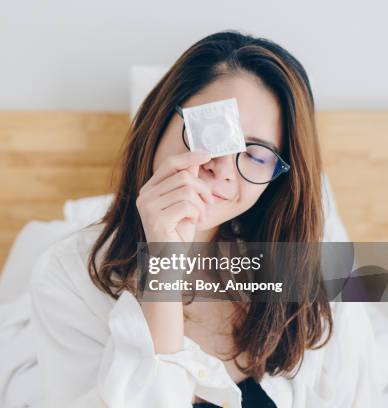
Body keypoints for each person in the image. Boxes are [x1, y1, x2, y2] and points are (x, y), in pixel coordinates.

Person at [28, 30, 382, 408]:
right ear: (159, 121)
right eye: (211, 132)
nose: (225, 170)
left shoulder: (320, 274)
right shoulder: (67, 276)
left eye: (256, 155)